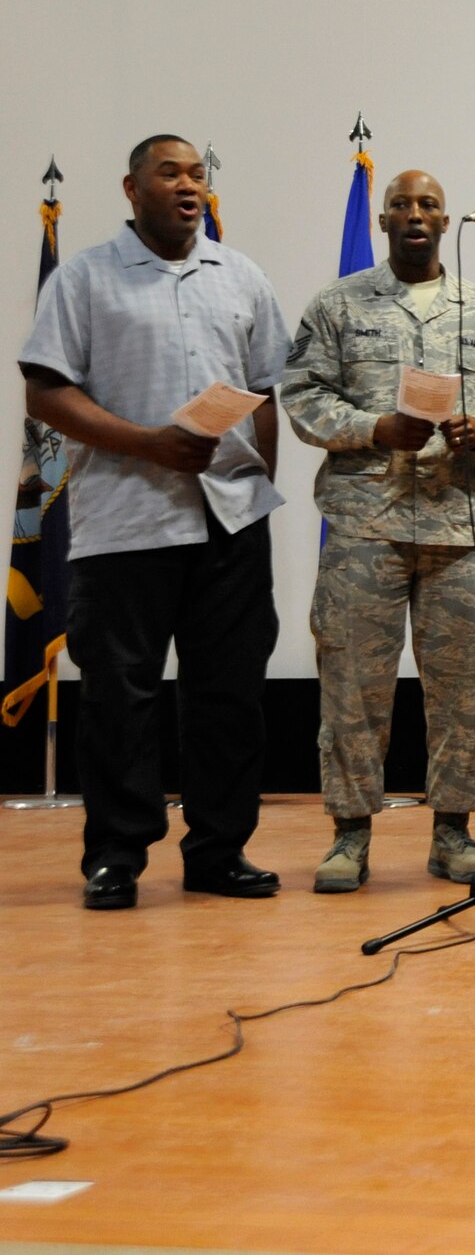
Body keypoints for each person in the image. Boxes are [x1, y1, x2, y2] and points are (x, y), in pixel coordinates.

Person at [18, 135, 287, 909]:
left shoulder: (242, 276)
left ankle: (219, 850)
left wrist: (257, 486)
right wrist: (148, 444)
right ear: (131, 189)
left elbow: (265, 391)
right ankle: (116, 855)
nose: (188, 185)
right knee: (120, 698)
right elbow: (45, 393)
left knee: (229, 695)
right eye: (169, 173)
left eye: (197, 173)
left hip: (230, 523)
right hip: (125, 526)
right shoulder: (86, 278)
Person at [281, 169, 475, 892]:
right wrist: (370, 428)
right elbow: (300, 393)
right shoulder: (339, 304)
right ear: (384, 222)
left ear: (448, 222)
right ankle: (349, 834)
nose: (414, 215)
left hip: (457, 521)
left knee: (458, 692)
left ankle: (453, 831)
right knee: (355, 685)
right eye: (401, 205)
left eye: (427, 205)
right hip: (366, 522)